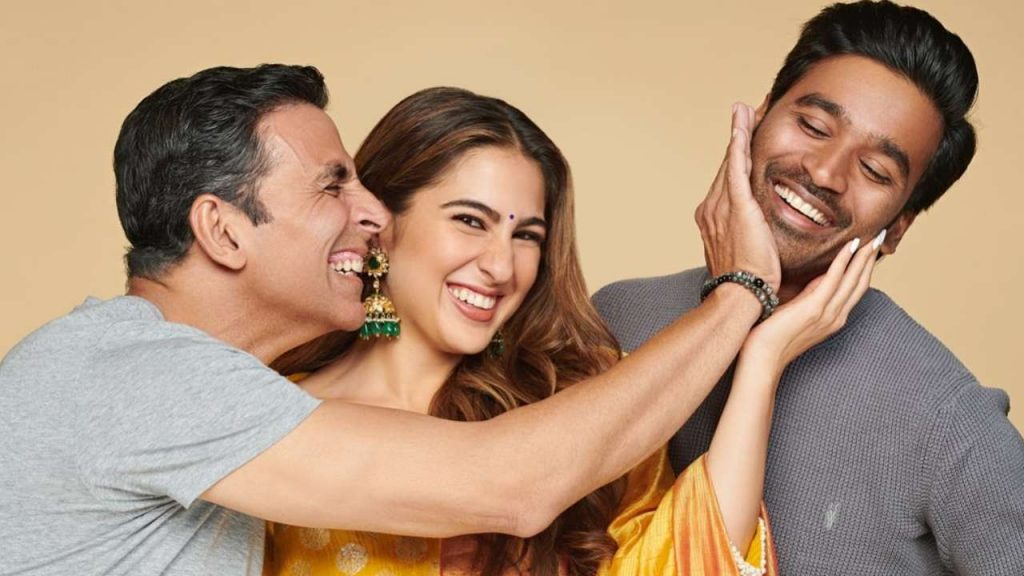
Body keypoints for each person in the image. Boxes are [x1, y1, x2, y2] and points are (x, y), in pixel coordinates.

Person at [0, 63, 780, 575]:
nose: (370, 212)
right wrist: (742, 294)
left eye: (527, 234)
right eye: (332, 186)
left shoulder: (211, 397)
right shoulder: (140, 380)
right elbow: (512, 483)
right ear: (223, 231)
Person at [264, 86, 884, 575]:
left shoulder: (571, 403)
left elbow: (688, 559)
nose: (501, 266)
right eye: (470, 221)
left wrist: (762, 359)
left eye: (526, 235)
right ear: (381, 221)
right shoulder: (274, 417)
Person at [593, 2, 1024, 574]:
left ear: (898, 227)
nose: (824, 172)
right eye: (814, 127)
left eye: (875, 171)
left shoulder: (946, 418)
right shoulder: (617, 317)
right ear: (759, 117)